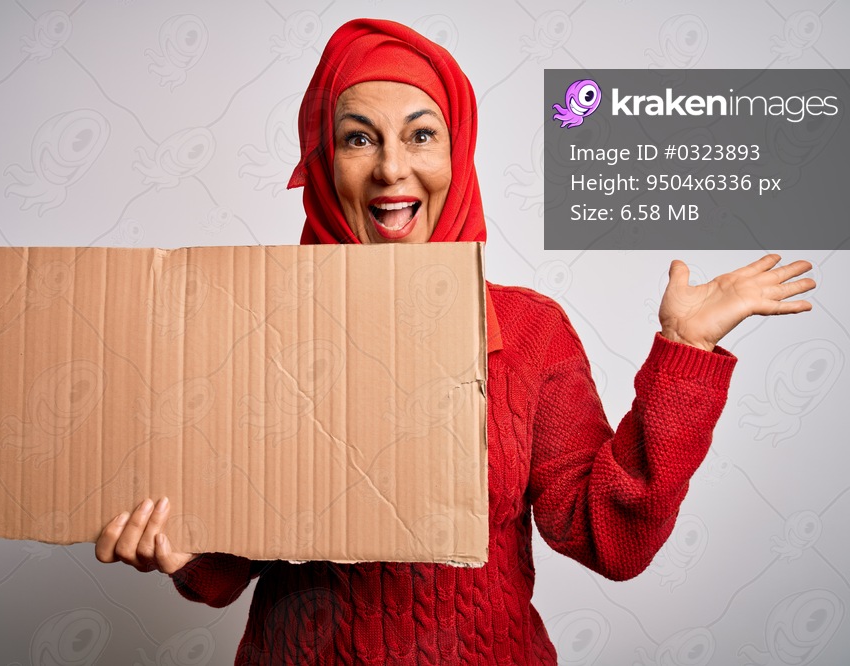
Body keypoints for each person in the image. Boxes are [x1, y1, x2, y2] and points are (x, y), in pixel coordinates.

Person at [95, 18, 815, 664]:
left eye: (420, 135)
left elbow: (607, 538)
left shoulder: (531, 332)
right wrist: (180, 549)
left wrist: (684, 351)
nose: (391, 168)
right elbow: (229, 565)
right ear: (324, 161)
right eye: (358, 138)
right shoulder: (257, 324)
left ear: (457, 151)